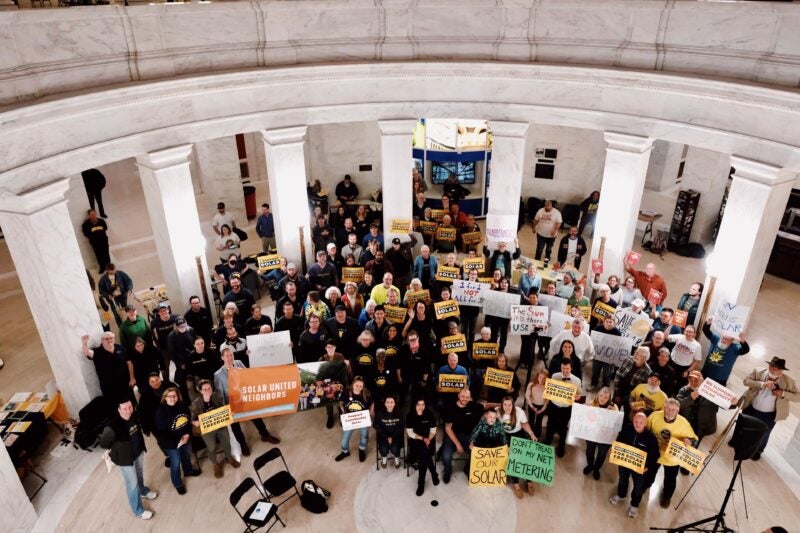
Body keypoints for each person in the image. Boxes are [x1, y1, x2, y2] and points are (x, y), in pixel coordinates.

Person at [214, 348, 280, 458]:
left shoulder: (239, 362)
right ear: (222, 357)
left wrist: (242, 373)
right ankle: (243, 444)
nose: (230, 358)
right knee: (235, 426)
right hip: (231, 403)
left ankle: (265, 435)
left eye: (231, 355)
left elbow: (249, 378)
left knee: (256, 417)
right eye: (227, 356)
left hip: (245, 398)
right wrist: (227, 409)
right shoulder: (218, 374)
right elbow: (220, 393)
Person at [99, 399, 158, 520]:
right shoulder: (112, 426)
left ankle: (142, 491)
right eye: (125, 408)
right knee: (132, 484)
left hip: (138, 452)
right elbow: (104, 443)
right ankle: (138, 510)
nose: (128, 411)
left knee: (140, 473)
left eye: (130, 407)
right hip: (125, 460)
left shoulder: (134, 415)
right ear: (119, 409)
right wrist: (116, 448)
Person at [736, 357, 798, 459]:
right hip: (751, 407)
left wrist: (783, 393)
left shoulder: (789, 381)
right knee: (742, 425)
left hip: (769, 414)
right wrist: (762, 384)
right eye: (772, 366)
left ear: (782, 370)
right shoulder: (758, 371)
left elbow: (798, 396)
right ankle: (737, 441)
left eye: (777, 368)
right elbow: (746, 381)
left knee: (764, 433)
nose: (774, 369)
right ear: (769, 365)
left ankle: (758, 451)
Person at [646, 398, 697, 508]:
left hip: (672, 459)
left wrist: (689, 441)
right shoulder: (654, 415)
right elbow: (646, 429)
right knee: (650, 473)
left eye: (673, 410)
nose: (670, 411)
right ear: (664, 408)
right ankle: (646, 486)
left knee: (670, 479)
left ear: (678, 410)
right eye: (668, 408)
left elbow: (694, 438)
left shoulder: (683, 423)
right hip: (655, 453)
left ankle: (666, 497)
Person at [609, 411, 660, 518]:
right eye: (636, 421)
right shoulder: (627, 428)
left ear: (645, 423)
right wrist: (615, 450)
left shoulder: (651, 438)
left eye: (641, 422)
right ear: (633, 421)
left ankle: (634, 505)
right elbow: (619, 440)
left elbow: (655, 456)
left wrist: (647, 467)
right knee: (622, 480)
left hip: (639, 468)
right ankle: (621, 495)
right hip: (624, 463)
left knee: (638, 487)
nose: (638, 424)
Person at [154, 387, 201, 494]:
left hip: (186, 437)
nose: (172, 398)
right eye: (169, 396)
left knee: (186, 455)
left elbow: (187, 420)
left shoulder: (182, 406)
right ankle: (178, 483)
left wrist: (188, 434)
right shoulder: (160, 412)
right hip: (172, 443)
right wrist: (178, 441)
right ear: (165, 398)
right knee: (175, 463)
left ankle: (188, 471)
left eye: (174, 396)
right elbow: (161, 433)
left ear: (177, 396)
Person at [190, 379, 240, 478]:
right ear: (200, 391)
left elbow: (224, 408)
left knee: (226, 442)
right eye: (204, 389)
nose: (207, 390)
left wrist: (229, 413)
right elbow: (192, 418)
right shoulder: (196, 403)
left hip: (221, 425)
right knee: (211, 447)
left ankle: (229, 458)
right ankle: (215, 464)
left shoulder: (217, 396)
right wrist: (194, 422)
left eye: (209, 388)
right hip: (207, 430)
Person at [440, 388, 483, 483]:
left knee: (475, 452)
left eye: (467, 397)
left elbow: (485, 406)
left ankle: (467, 469)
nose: (465, 399)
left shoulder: (473, 405)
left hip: (466, 435)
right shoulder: (450, 408)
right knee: (446, 456)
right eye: (463, 396)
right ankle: (448, 471)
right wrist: (458, 445)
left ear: (470, 398)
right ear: (458, 396)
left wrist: (500, 404)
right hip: (451, 435)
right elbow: (447, 428)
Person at [497, 395, 537, 497]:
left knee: (525, 457)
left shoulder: (519, 411)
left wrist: (531, 433)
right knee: (512, 458)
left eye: (509, 404)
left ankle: (529, 481)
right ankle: (516, 484)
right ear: (502, 405)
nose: (507, 407)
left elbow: (524, 424)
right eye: (505, 405)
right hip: (506, 435)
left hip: (519, 433)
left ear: (513, 405)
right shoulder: (498, 412)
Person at [81, 332, 135, 404]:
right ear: (102, 340)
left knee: (130, 403)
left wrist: (132, 378)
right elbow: (87, 352)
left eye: (111, 338)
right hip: (109, 387)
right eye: (106, 339)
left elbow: (129, 363)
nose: (109, 340)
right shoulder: (97, 351)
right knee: (114, 406)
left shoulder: (120, 348)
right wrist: (84, 343)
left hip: (125, 383)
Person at [544, 359, 582, 457]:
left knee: (563, 427)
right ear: (560, 368)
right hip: (553, 405)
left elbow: (579, 395)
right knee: (550, 423)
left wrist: (577, 397)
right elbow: (550, 391)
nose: (565, 371)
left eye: (567, 368)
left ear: (571, 368)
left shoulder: (577, 381)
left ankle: (561, 446)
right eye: (563, 368)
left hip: (566, 408)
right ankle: (548, 440)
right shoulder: (554, 376)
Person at [701, 317, 750, 385]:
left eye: (726, 339)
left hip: (720, 378)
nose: (723, 340)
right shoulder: (716, 339)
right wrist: (708, 323)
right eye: (723, 338)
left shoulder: (735, 348)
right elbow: (706, 331)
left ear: (732, 340)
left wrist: (743, 341)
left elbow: (746, 350)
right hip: (705, 372)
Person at [405, 396, 438, 495]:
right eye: (418, 404)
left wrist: (428, 439)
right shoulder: (410, 415)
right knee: (424, 453)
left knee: (424, 455)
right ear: (415, 405)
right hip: (416, 441)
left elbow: (433, 430)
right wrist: (423, 439)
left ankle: (421, 483)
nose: (421, 407)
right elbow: (410, 433)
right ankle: (433, 473)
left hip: (429, 440)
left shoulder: (429, 414)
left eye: (423, 404)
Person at [336, 376, 374, 462]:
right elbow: (341, 402)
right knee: (345, 438)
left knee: (364, 435)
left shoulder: (366, 394)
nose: (358, 388)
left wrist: (370, 414)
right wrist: (343, 411)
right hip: (350, 418)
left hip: (362, 418)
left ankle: (361, 449)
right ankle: (345, 452)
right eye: (357, 385)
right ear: (353, 384)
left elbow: (372, 403)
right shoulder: (346, 393)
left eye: (361, 386)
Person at [584, 387, 618, 480]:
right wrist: (586, 408)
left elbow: (616, 424)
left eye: (605, 397)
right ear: (597, 395)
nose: (602, 398)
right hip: (592, 434)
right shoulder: (592, 404)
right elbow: (584, 417)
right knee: (589, 451)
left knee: (602, 454)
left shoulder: (614, 407)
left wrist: (613, 413)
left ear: (609, 398)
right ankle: (590, 465)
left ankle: (596, 469)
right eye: (601, 396)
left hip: (605, 437)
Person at [590, 315, 621, 390]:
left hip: (609, 356)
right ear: (603, 322)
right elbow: (592, 340)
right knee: (595, 370)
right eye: (607, 321)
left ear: (614, 323)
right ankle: (593, 384)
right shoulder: (598, 328)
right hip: (598, 354)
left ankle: (605, 386)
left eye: (610, 322)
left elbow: (618, 345)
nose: (608, 323)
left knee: (607, 373)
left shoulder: (617, 332)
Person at [374, 395, 404, 469]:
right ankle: (384, 457)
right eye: (387, 402)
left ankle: (397, 457)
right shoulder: (379, 413)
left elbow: (402, 426)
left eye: (391, 402)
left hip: (396, 435)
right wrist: (387, 436)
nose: (390, 404)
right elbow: (376, 425)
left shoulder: (400, 413)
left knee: (395, 448)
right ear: (384, 403)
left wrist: (392, 436)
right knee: (383, 449)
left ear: (395, 403)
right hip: (383, 435)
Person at [82, 209, 110, 273]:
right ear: (89, 215)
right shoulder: (85, 224)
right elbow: (86, 233)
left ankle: (108, 267)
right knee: (98, 255)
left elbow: (105, 228)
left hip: (103, 240)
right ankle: (102, 267)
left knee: (106, 253)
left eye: (94, 213)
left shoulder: (101, 221)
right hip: (95, 242)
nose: (93, 215)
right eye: (91, 214)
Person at [525, 369, 549, 439]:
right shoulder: (531, 384)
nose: (541, 380)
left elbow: (548, 399)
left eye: (544, 378)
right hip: (532, 404)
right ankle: (530, 433)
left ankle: (537, 435)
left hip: (542, 406)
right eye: (540, 377)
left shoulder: (548, 387)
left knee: (539, 421)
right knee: (531, 419)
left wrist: (543, 408)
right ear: (537, 376)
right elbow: (527, 396)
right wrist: (532, 406)